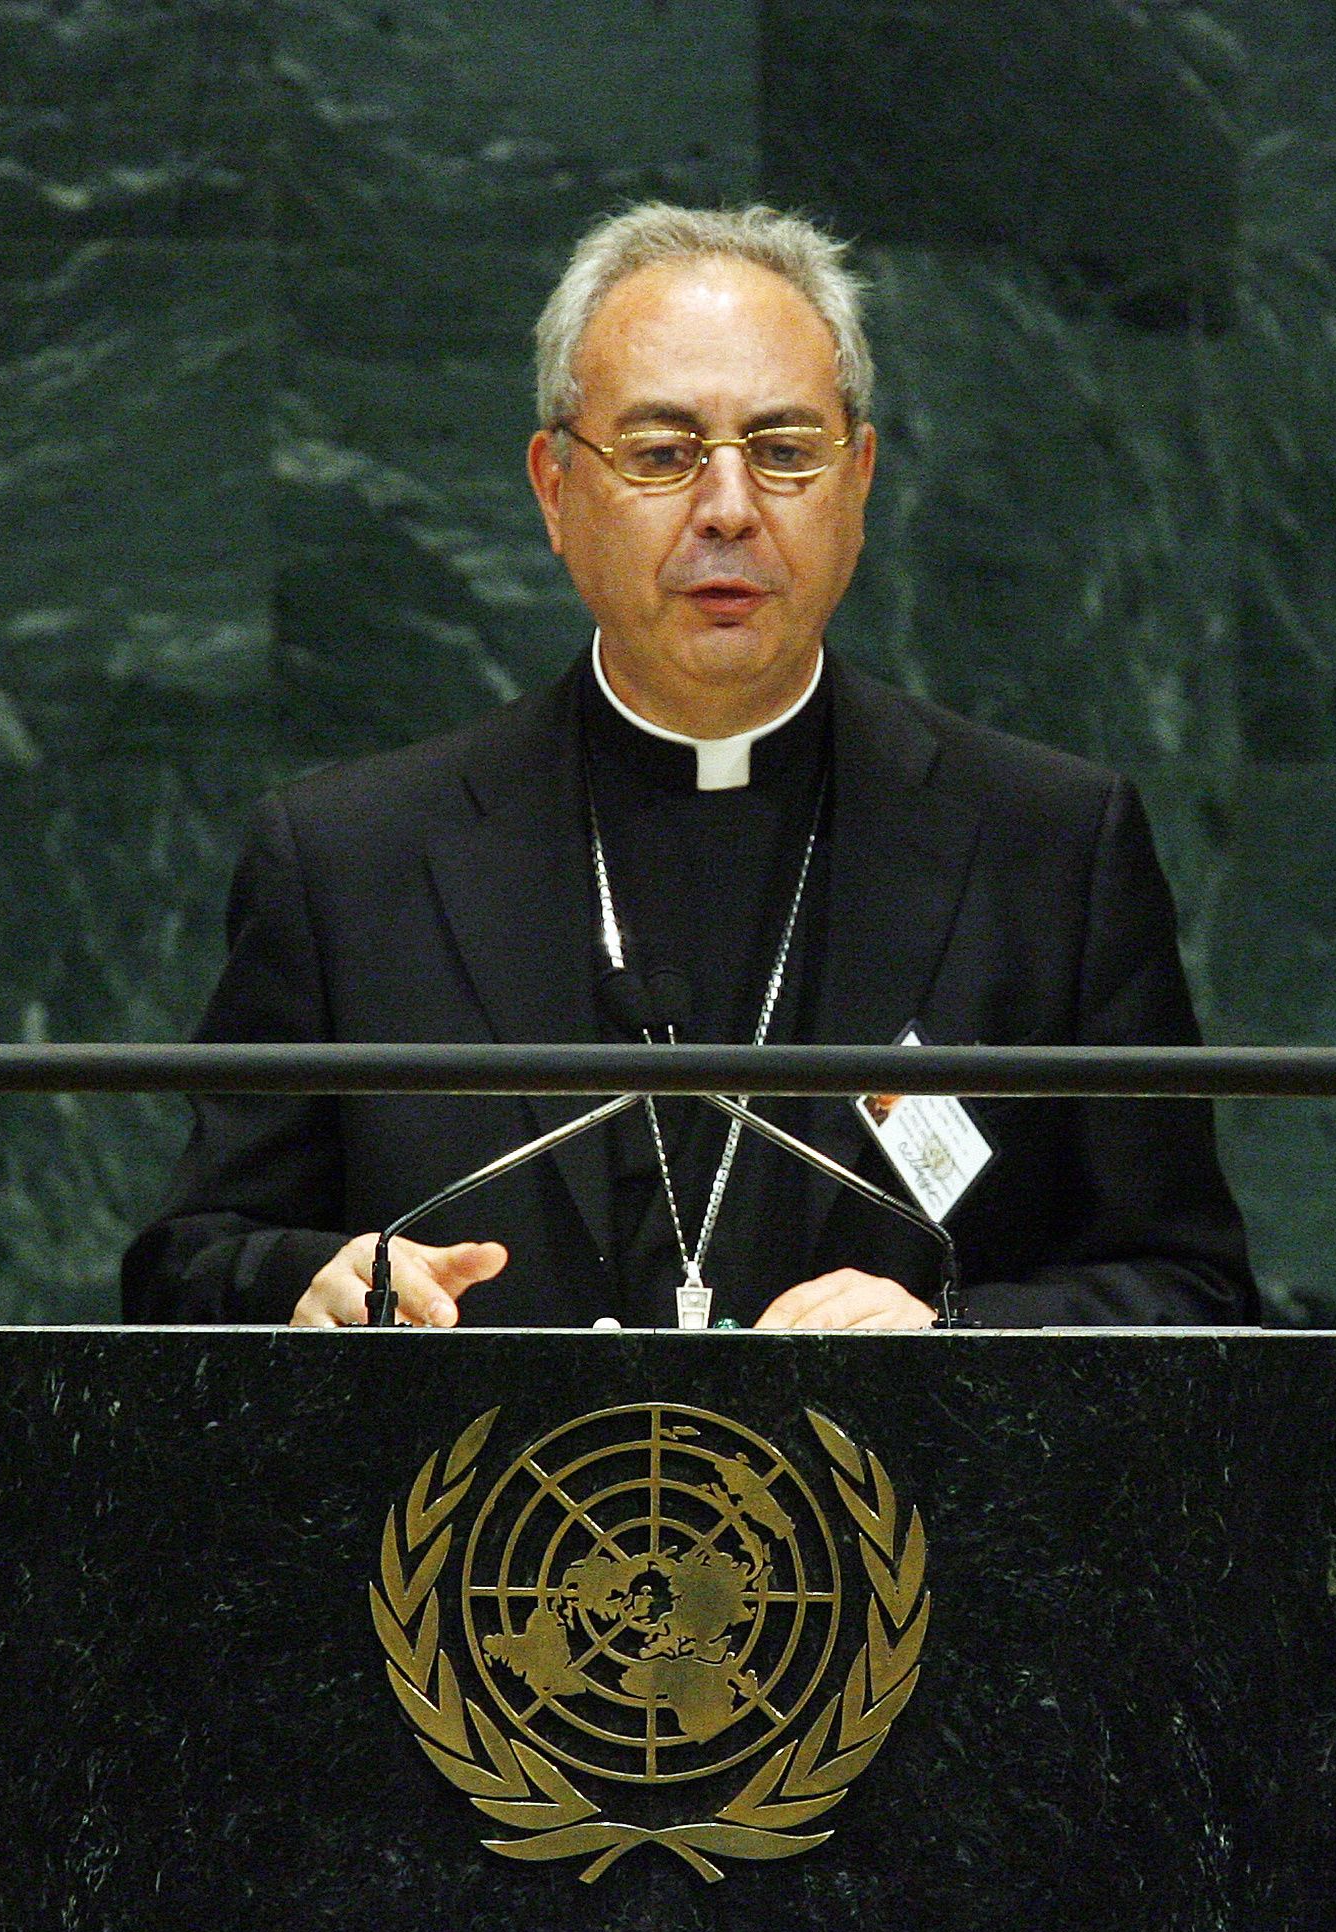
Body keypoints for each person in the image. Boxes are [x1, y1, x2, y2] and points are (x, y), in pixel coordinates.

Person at [122, 203, 1257, 1331]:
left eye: (781, 451)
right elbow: (188, 1266)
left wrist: (952, 1339)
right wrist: (306, 1286)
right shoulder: (348, 862)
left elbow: (1189, 1293)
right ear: (554, 489)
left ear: (858, 480)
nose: (728, 508)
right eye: (662, 453)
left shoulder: (1048, 849)